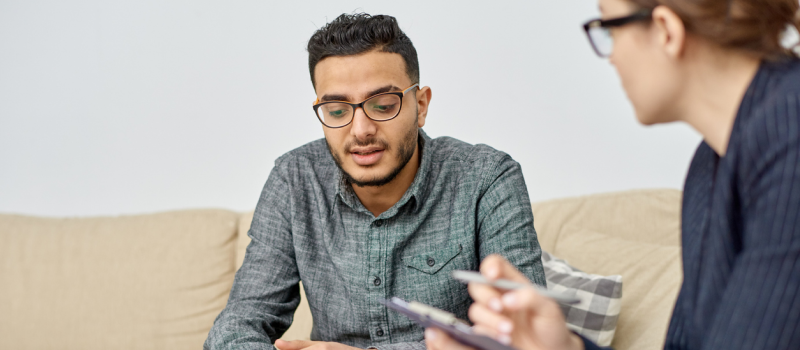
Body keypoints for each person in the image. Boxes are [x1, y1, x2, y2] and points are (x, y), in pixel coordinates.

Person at [424, 0, 800, 349]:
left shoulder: (789, 140)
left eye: (609, 29)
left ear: (666, 30)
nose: (611, 57)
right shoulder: (709, 165)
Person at [203, 13, 547, 350]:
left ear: (421, 104)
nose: (361, 129)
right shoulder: (294, 179)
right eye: (337, 110)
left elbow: (522, 335)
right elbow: (237, 325)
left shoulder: (487, 178)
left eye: (383, 105)